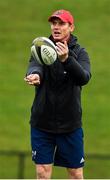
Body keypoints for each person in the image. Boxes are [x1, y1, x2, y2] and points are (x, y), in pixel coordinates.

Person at [24, 9, 91, 179]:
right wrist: (35, 75)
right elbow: (35, 65)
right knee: (42, 172)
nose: (56, 27)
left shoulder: (80, 53)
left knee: (75, 174)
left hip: (70, 125)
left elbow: (83, 78)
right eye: (54, 23)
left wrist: (67, 60)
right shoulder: (42, 47)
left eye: (61, 23)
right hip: (42, 123)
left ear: (71, 27)